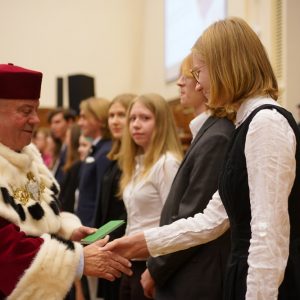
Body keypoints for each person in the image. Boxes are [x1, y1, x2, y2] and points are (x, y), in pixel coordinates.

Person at [104, 17, 300, 300]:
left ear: (225, 68)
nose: (196, 86)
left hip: (262, 282)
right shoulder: (246, 124)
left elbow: (268, 236)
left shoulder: (265, 122)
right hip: (243, 273)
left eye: (198, 73)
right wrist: (143, 242)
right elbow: (211, 219)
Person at [0, 63, 132, 299]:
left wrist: (68, 230)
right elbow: (5, 249)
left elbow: (38, 212)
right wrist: (77, 259)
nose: (36, 120)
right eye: (25, 110)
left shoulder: (29, 156)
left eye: (36, 110)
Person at [141, 54, 233, 300]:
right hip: (183, 271)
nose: (179, 83)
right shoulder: (207, 132)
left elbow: (193, 214)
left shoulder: (217, 137)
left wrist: (156, 269)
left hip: (193, 275)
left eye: (187, 76)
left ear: (205, 82)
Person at [118, 94, 183, 300]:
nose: (136, 125)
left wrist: (156, 270)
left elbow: (175, 221)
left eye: (145, 118)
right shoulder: (137, 163)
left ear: (161, 124)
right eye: (133, 119)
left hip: (152, 263)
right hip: (131, 262)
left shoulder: (166, 163)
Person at [93, 93, 136, 300]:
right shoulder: (114, 157)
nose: (115, 121)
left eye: (121, 114)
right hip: (108, 242)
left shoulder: (134, 160)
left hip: (122, 246)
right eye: (111, 115)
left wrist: (99, 237)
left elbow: (124, 214)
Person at [77, 97, 112, 228]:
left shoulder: (105, 152)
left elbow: (101, 199)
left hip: (92, 227)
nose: (80, 123)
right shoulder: (96, 149)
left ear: (101, 120)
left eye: (84, 117)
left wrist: (94, 232)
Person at [48, 108, 77, 185]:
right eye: (51, 123)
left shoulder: (75, 147)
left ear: (70, 122)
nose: (53, 126)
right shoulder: (59, 147)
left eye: (57, 122)